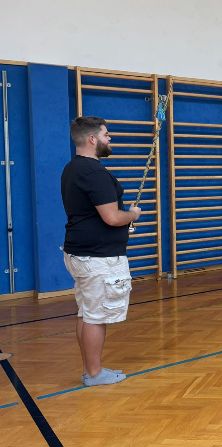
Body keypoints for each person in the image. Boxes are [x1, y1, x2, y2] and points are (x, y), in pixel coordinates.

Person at [61, 116, 141, 386]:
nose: (110, 138)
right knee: (95, 317)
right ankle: (94, 374)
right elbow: (112, 217)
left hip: (81, 253)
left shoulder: (72, 168)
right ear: (92, 139)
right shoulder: (94, 173)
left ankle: (90, 370)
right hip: (97, 259)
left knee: (86, 313)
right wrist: (132, 215)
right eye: (106, 135)